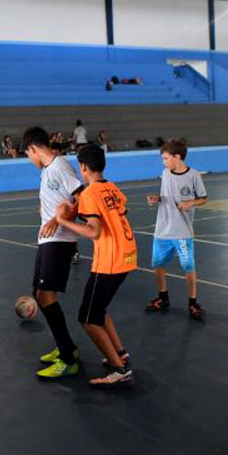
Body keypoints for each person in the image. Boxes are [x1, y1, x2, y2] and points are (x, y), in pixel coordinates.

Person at [54, 144, 137, 388]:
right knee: (99, 309)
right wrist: (77, 211)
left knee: (88, 317)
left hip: (109, 260)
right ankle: (120, 353)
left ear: (83, 167)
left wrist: (61, 220)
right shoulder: (112, 187)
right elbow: (110, 214)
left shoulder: (89, 193)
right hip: (127, 254)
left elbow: (94, 230)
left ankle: (119, 369)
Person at [20, 127, 85, 380]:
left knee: (46, 296)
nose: (29, 160)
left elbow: (81, 198)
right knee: (39, 293)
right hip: (48, 239)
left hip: (60, 239)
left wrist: (57, 221)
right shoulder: (48, 170)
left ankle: (69, 359)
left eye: (28, 155)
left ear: (33, 149)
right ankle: (66, 347)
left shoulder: (60, 166)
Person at [145, 139, 207, 321]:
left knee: (188, 268)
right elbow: (165, 196)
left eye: (165, 158)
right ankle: (163, 298)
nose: (163, 162)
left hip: (182, 233)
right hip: (162, 231)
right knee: (157, 265)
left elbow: (203, 198)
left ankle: (193, 302)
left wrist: (190, 202)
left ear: (177, 157)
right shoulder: (165, 174)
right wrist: (156, 199)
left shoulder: (194, 175)